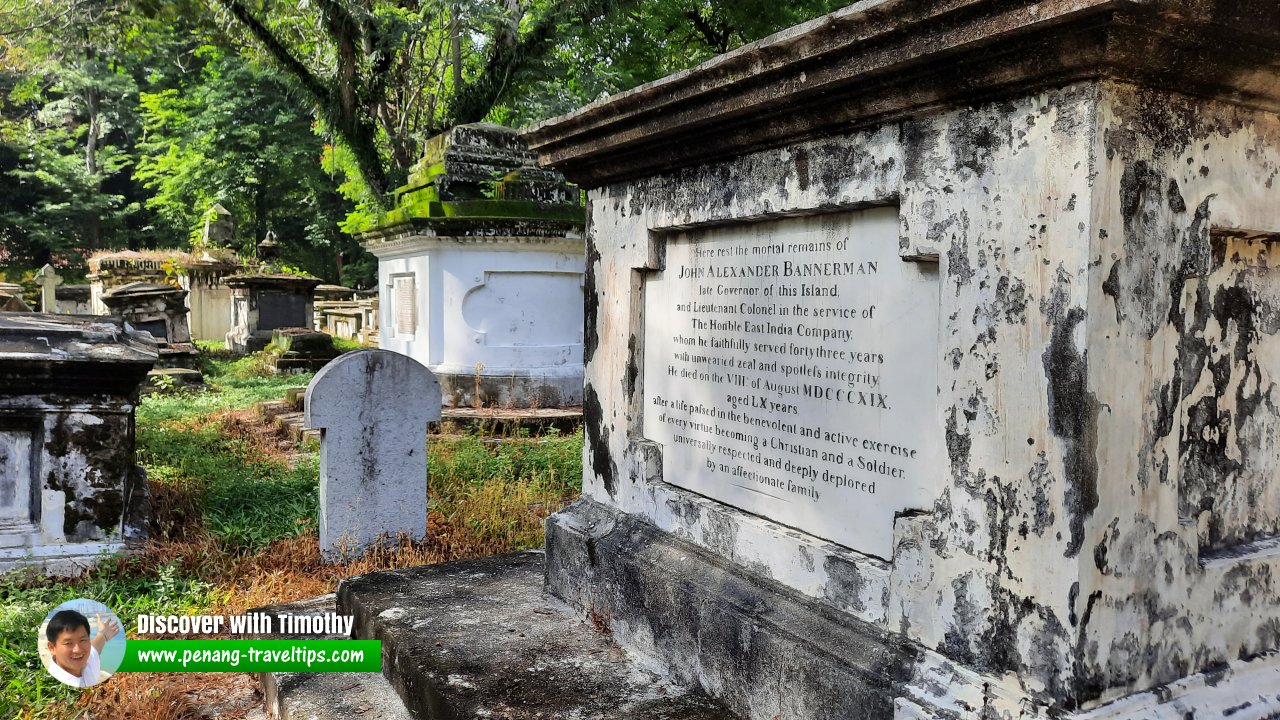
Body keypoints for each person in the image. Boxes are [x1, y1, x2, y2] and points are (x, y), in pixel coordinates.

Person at [44, 609, 120, 687]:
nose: (78, 650)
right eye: (68, 643)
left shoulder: (88, 661)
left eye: (82, 640)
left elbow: (95, 646)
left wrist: (103, 634)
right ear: (52, 648)